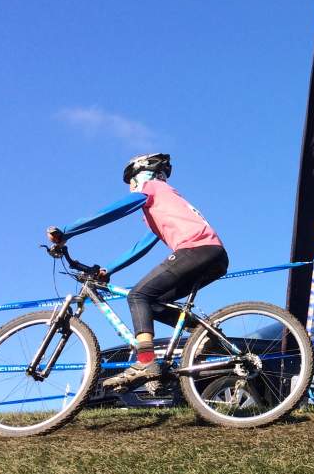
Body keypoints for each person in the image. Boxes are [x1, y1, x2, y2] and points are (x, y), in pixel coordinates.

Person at [46, 153, 228, 391]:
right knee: (152, 303)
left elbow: (113, 211)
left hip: (196, 249)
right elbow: (142, 246)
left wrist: (68, 231)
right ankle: (205, 333)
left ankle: (145, 361)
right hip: (214, 256)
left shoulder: (152, 187)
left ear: (141, 176)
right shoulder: (167, 202)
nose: (131, 187)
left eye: (131, 181)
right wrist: (109, 269)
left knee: (137, 296)